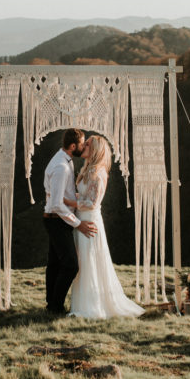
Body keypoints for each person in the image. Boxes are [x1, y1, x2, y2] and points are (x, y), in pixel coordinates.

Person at [65, 135, 144, 319]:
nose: (83, 146)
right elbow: (83, 196)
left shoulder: (99, 172)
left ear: (95, 150)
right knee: (83, 263)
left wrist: (66, 200)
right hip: (81, 221)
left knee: (89, 262)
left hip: (90, 222)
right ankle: (83, 303)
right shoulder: (88, 169)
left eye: (87, 144)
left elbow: (92, 202)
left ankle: (91, 307)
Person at [43, 128, 97, 314]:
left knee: (55, 263)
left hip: (56, 219)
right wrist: (78, 224)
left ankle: (52, 305)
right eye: (82, 144)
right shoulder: (61, 167)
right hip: (57, 219)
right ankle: (56, 306)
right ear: (73, 146)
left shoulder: (65, 160)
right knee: (70, 265)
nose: (83, 147)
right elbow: (57, 204)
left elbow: (59, 196)